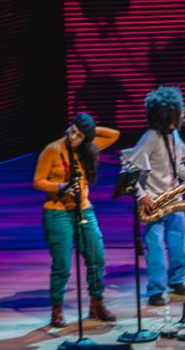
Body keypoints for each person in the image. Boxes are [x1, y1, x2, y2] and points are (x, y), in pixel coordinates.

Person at [34, 113, 120, 326]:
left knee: (96, 257)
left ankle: (96, 302)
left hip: (84, 210)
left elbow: (114, 134)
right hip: (57, 212)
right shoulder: (53, 149)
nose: (72, 136)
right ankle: (57, 309)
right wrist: (59, 187)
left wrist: (89, 129)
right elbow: (37, 181)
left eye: (79, 135)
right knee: (62, 264)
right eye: (72, 130)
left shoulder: (88, 148)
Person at [120, 86, 185, 306]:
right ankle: (155, 289)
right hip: (153, 204)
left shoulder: (174, 135)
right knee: (155, 250)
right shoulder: (150, 138)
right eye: (180, 109)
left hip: (174, 201)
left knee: (180, 243)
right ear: (169, 113)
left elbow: (178, 165)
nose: (184, 112)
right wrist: (142, 196)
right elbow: (129, 170)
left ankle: (177, 280)